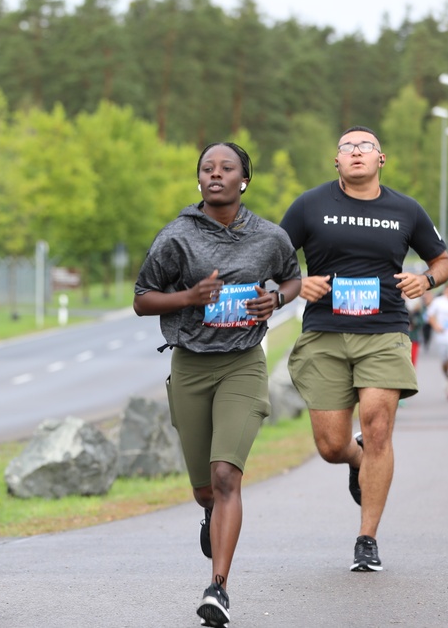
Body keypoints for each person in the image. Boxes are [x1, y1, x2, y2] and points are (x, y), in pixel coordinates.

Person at [134, 142, 301, 627]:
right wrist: (189, 295)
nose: (216, 174)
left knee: (228, 475)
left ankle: (218, 588)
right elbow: (143, 299)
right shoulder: (177, 237)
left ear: (243, 179)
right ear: (199, 179)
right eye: (207, 168)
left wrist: (276, 297)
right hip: (190, 366)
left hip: (243, 364)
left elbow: (291, 278)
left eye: (227, 168)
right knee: (206, 489)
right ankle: (210, 512)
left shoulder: (270, 237)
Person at [279, 126, 448, 573]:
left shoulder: (405, 209)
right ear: (336, 161)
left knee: (378, 430)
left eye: (365, 147)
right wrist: (298, 284)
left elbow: (443, 260)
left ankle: (367, 538)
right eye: (347, 147)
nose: (356, 152)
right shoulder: (309, 205)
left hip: (384, 330)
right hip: (325, 333)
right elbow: (271, 257)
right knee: (331, 445)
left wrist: (427, 279)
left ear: (381, 159)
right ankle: (355, 461)